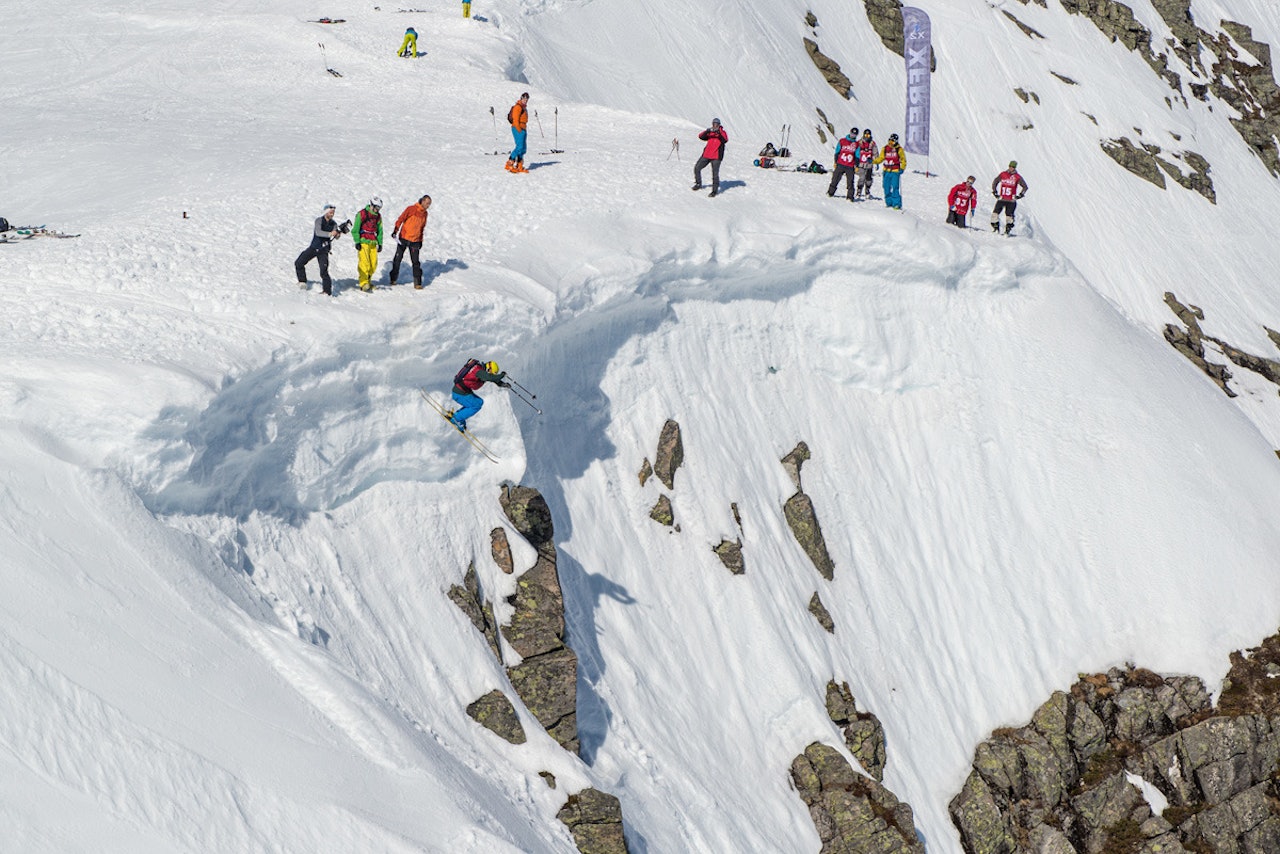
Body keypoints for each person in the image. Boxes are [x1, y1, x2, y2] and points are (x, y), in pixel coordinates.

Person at [295, 205, 346, 295]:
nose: (332, 214)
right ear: (325, 212)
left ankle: (327, 291)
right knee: (299, 262)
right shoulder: (319, 221)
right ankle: (302, 281)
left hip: (324, 250)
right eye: (330, 212)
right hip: (314, 248)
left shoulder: (334, 224)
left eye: (333, 212)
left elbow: (336, 236)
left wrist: (338, 234)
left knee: (324, 271)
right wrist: (331, 233)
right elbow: (318, 232)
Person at [448, 359, 509, 432]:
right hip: (460, 393)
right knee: (475, 405)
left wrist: (501, 384)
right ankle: (456, 419)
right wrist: (502, 375)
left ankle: (457, 416)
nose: (491, 374)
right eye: (491, 372)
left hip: (462, 391)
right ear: (489, 369)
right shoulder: (478, 371)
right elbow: (490, 377)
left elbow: (489, 377)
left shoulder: (479, 369)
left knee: (479, 402)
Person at [390, 195, 432, 289]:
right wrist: (395, 230)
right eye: (427, 203)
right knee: (397, 259)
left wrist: (420, 240)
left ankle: (417, 283)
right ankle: (393, 278)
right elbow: (401, 219)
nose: (428, 205)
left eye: (429, 204)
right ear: (422, 201)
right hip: (403, 238)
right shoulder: (411, 209)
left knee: (416, 262)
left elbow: (422, 227)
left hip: (415, 241)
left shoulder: (425, 214)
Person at [352, 198, 384, 292]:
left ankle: (368, 282)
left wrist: (380, 243)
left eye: (379, 208)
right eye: (376, 208)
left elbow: (380, 230)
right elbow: (355, 229)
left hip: (373, 242)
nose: (377, 210)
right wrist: (357, 241)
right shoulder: (362, 214)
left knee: (373, 264)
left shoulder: (378, 217)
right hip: (363, 241)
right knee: (364, 262)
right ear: (371, 205)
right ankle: (363, 283)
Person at [692, 118, 728, 197]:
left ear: (719, 125)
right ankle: (698, 183)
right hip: (706, 155)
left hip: (716, 156)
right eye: (713, 124)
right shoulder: (710, 132)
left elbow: (725, 139)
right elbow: (701, 136)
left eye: (716, 124)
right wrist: (707, 131)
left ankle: (714, 191)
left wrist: (719, 132)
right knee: (697, 168)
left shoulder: (722, 132)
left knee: (715, 174)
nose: (715, 126)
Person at [990, 161, 1029, 235]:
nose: (1011, 168)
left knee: (1009, 216)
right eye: (1010, 166)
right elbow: (995, 181)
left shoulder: (1017, 177)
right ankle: (995, 227)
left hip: (1011, 200)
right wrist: (995, 191)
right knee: (995, 214)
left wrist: (1020, 195)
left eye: (1013, 167)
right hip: (1002, 198)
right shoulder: (1003, 174)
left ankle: (1008, 230)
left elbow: (1025, 187)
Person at [826, 127, 859, 201]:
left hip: (850, 166)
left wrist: (857, 165)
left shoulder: (856, 144)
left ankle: (850, 197)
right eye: (852, 134)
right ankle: (830, 193)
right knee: (835, 179)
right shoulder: (842, 141)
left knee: (850, 182)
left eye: (854, 135)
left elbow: (857, 155)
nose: (853, 135)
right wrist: (835, 162)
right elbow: (837, 151)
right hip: (840, 163)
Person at [875, 133, 906, 209]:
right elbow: (881, 158)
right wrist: (873, 161)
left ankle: (896, 204)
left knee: (895, 187)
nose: (891, 143)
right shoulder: (885, 148)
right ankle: (889, 202)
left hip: (895, 171)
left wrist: (902, 168)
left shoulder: (899, 149)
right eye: (890, 141)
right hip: (886, 171)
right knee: (886, 187)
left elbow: (903, 160)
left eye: (893, 141)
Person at [506, 93, 530, 173]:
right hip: (518, 128)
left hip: (523, 128)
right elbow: (515, 119)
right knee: (519, 146)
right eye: (524, 99)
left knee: (523, 148)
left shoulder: (523, 107)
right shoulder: (518, 107)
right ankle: (510, 163)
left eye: (527, 100)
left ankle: (519, 164)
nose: (525, 101)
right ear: (521, 98)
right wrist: (519, 129)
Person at [854, 129, 878, 200]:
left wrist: (872, 159)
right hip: (861, 164)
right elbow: (855, 152)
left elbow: (876, 154)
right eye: (866, 135)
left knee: (868, 179)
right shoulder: (859, 143)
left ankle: (867, 190)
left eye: (868, 135)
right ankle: (859, 191)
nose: (867, 136)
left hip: (869, 164)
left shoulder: (872, 143)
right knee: (862, 177)